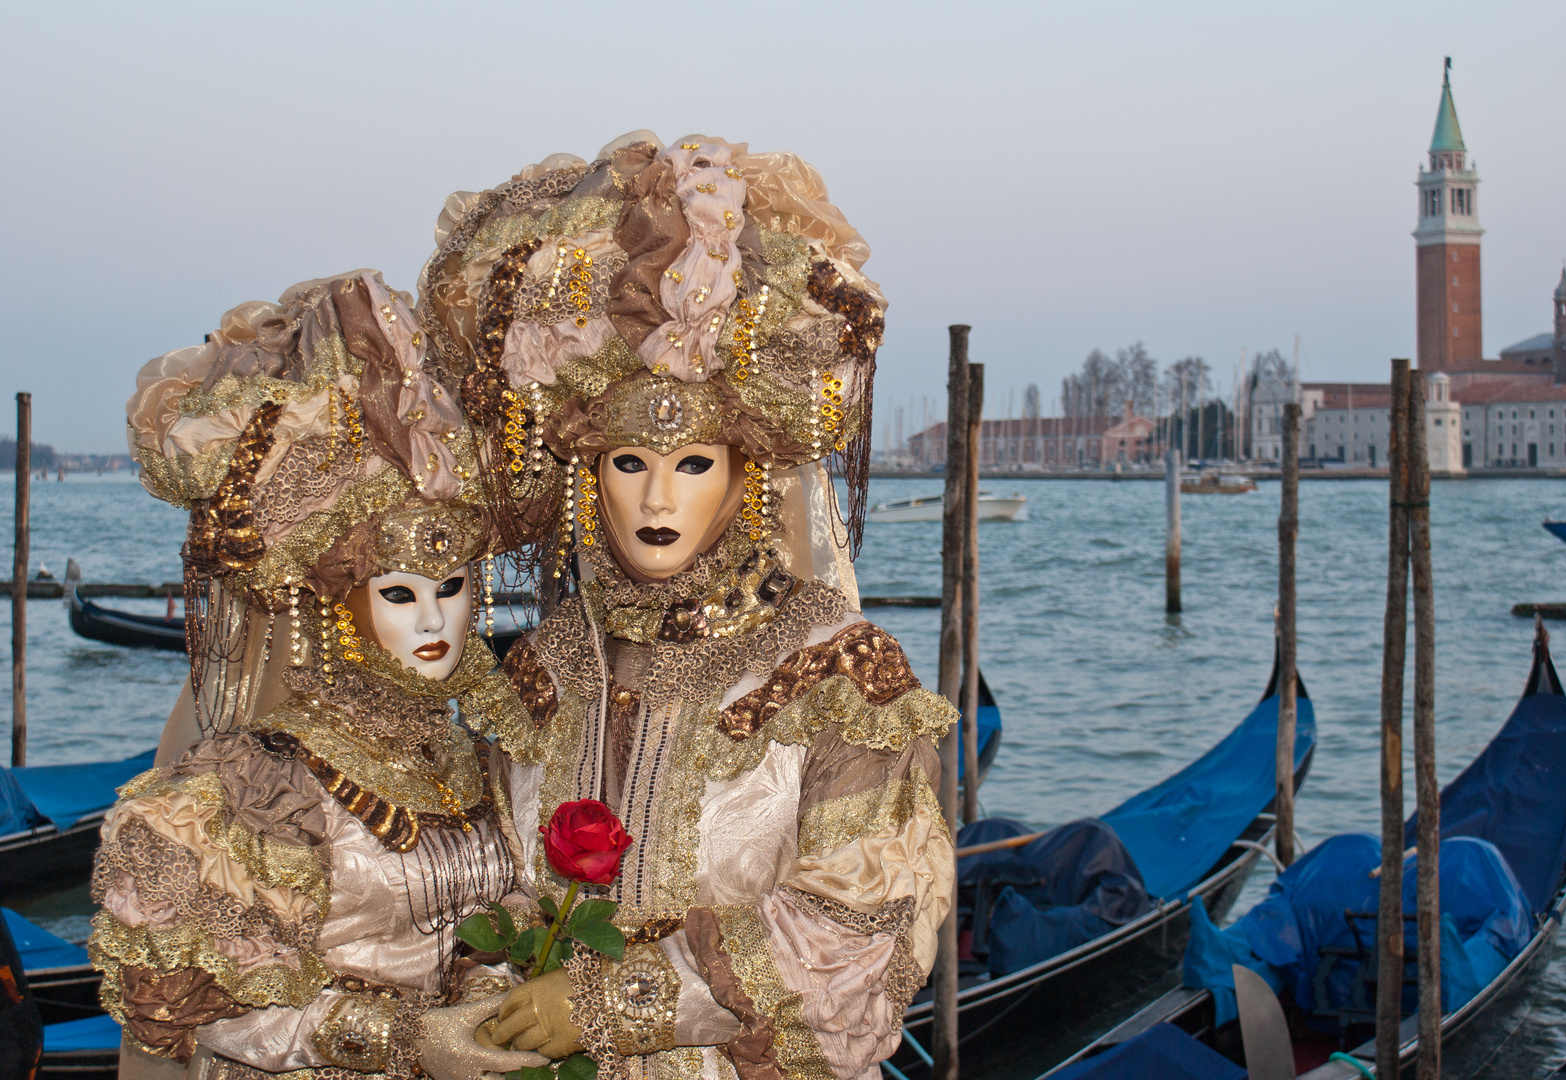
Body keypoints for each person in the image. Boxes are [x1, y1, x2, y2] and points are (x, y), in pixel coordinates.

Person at [418, 132, 957, 1080]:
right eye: (629, 464)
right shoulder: (542, 668)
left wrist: (613, 1003)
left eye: (692, 465)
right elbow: (481, 890)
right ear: (588, 472)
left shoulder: (836, 668)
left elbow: (863, 923)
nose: (657, 501)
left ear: (747, 474)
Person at [92, 272, 553, 1080]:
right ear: (344, 605)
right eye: (401, 595)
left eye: (450, 592)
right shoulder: (265, 785)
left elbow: (493, 916)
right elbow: (212, 1012)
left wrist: (490, 993)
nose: (433, 622)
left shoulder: (472, 759)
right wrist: (407, 1042)